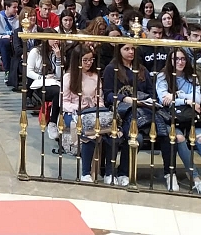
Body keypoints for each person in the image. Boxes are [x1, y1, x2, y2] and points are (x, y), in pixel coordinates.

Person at [103, 43, 173, 189]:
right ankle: (116, 173)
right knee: (132, 136)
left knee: (157, 135)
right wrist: (124, 98)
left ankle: (166, 173)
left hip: (143, 111)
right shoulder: (112, 69)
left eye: (133, 49)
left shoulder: (142, 69)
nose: (130, 52)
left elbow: (152, 92)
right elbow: (108, 94)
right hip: (121, 111)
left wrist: (147, 101)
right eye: (126, 49)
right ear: (119, 50)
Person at [156, 48, 201, 193]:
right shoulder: (163, 77)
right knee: (179, 138)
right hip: (170, 119)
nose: (180, 62)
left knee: (199, 138)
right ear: (170, 60)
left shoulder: (192, 76)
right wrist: (188, 100)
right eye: (176, 59)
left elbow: (199, 98)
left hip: (191, 118)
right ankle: (195, 178)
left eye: (183, 59)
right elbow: (164, 100)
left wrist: (177, 95)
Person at [62, 44, 103, 181]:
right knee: (88, 133)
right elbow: (64, 102)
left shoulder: (95, 77)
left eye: (91, 60)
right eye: (85, 60)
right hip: (72, 113)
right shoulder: (68, 77)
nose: (88, 63)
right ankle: (85, 172)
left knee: (109, 132)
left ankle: (107, 171)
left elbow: (100, 99)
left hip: (91, 112)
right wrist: (77, 106)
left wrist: (98, 107)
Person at [27, 33, 62, 139]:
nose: (56, 41)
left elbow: (59, 75)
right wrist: (42, 78)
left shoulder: (57, 52)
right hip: (39, 83)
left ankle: (59, 120)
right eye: (53, 39)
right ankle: (52, 122)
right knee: (58, 92)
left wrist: (58, 57)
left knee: (61, 92)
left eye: (57, 39)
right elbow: (28, 71)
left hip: (54, 81)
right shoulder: (35, 52)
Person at [0, 0, 20, 82]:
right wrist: (2, 36)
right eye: (14, 7)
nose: (16, 9)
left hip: (14, 41)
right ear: (7, 7)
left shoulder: (17, 18)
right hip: (2, 42)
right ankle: (7, 70)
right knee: (5, 42)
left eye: (17, 7)